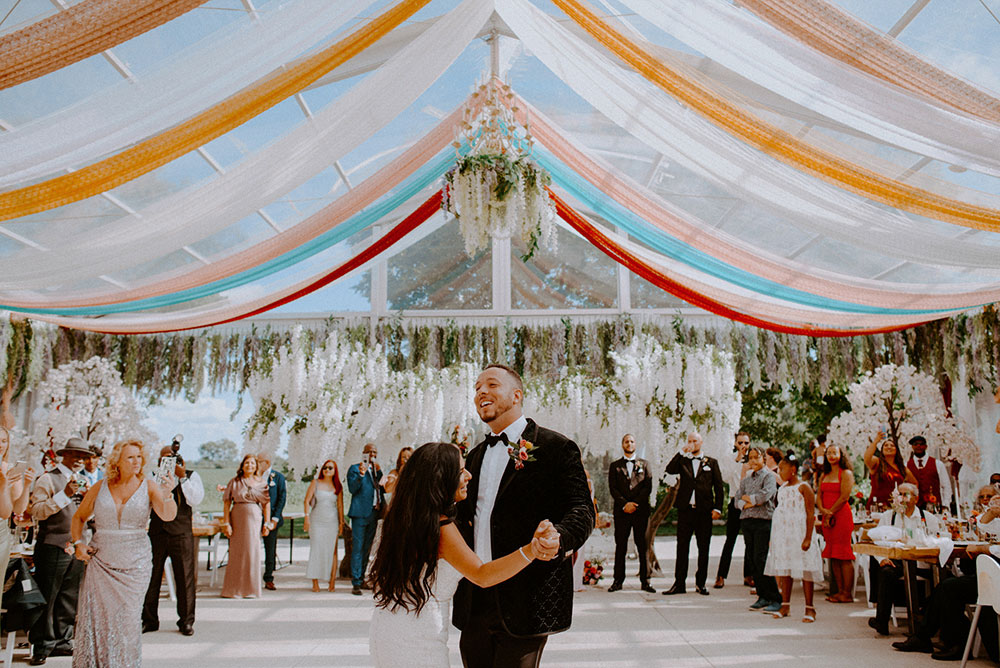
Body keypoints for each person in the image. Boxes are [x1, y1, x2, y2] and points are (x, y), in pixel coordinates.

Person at [452, 364, 595, 668]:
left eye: (491, 385)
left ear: (516, 395)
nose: (481, 393)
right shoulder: (474, 456)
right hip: (474, 600)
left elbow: (582, 510)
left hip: (526, 598)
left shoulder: (557, 448)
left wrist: (559, 537)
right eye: (477, 388)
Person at [369, 442, 555, 667]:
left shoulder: (403, 519)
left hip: (388, 628)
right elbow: (482, 574)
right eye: (461, 470)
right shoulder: (441, 528)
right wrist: (530, 550)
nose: (468, 476)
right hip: (419, 638)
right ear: (441, 478)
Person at [69, 440, 177, 667]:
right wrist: (78, 543)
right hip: (101, 563)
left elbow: (167, 516)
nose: (136, 461)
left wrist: (168, 493)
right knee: (99, 622)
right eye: (130, 457)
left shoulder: (149, 486)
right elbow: (78, 517)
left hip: (135, 565)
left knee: (128, 621)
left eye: (139, 457)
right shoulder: (99, 487)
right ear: (117, 461)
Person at [893, 486, 1000, 659]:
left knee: (950, 588)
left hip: (996, 576)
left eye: (990, 496)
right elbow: (983, 524)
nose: (986, 499)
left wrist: (983, 548)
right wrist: (993, 512)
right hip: (992, 572)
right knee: (946, 587)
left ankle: (950, 642)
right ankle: (930, 638)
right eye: (983, 497)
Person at [28, 438, 94, 666]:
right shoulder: (47, 478)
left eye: (82, 456)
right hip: (52, 545)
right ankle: (42, 645)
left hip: (76, 545)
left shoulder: (85, 481)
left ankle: (63, 641)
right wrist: (64, 495)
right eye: (74, 455)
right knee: (48, 596)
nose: (78, 460)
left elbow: (87, 516)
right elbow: (36, 511)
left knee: (69, 596)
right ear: (63, 456)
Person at [142, 447, 204, 636]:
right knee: (151, 578)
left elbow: (195, 500)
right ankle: (149, 620)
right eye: (165, 458)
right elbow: (146, 502)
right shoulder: (151, 477)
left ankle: (186, 621)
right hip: (157, 532)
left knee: (185, 578)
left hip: (181, 533)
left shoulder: (192, 476)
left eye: (173, 458)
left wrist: (182, 477)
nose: (169, 461)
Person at [868, 482, 943, 636]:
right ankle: (881, 621)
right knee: (886, 572)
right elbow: (876, 540)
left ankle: (927, 615)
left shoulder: (927, 518)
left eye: (905, 495)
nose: (901, 498)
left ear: (916, 498)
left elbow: (939, 538)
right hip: (899, 561)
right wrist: (882, 558)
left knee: (944, 578)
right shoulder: (889, 517)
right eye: (899, 495)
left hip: (924, 562)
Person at [663, 432, 724, 596]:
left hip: (704, 511)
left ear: (701, 442)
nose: (692, 443)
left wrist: (718, 508)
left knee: (703, 548)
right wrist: (681, 452)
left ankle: (701, 583)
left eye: (695, 440)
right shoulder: (683, 460)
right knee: (682, 547)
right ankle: (679, 584)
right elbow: (669, 470)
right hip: (685, 510)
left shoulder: (711, 462)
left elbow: (718, 487)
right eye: (689, 441)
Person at [764, 454, 822, 622]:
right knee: (785, 569)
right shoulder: (782, 489)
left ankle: (810, 608)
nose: (779, 472)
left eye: (782, 469)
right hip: (784, 535)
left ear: (793, 470)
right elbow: (780, 512)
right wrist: (774, 537)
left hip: (800, 533)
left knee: (806, 569)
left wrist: (808, 538)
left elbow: (811, 514)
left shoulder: (804, 488)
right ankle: (785, 605)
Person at [607, 433, 655, 593]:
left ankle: (646, 581)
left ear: (636, 444)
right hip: (622, 512)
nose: (629, 443)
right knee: (620, 546)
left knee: (643, 547)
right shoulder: (615, 466)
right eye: (626, 441)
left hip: (640, 511)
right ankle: (617, 581)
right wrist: (625, 504)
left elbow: (647, 486)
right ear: (622, 444)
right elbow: (613, 488)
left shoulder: (645, 464)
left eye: (632, 441)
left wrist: (635, 504)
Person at [736, 446, 781, 613]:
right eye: (751, 458)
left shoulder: (769, 476)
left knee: (761, 558)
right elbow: (737, 498)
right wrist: (747, 502)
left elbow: (766, 495)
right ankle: (762, 596)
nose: (753, 461)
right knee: (752, 560)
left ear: (763, 458)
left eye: (756, 457)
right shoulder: (746, 479)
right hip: (747, 521)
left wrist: (751, 500)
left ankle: (775, 597)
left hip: (763, 521)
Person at [220, 454, 270, 599]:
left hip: (254, 517)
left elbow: (266, 504)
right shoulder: (234, 482)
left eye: (252, 463)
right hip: (237, 517)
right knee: (236, 552)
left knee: (252, 551)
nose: (250, 466)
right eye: (247, 463)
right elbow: (226, 503)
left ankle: (251, 589)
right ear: (242, 465)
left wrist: (267, 523)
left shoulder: (261, 483)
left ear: (256, 466)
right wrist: (226, 523)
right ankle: (233, 590)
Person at [816, 444, 855, 603]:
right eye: (829, 453)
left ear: (841, 455)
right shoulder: (823, 475)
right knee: (833, 554)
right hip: (827, 517)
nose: (831, 456)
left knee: (844, 554)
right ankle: (839, 591)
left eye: (835, 453)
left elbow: (845, 496)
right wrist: (823, 510)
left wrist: (830, 511)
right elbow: (819, 494)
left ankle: (847, 593)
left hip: (841, 516)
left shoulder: (846, 473)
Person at [716, 432, 752, 589]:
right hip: (735, 502)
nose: (744, 445)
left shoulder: (754, 458)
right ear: (736, 443)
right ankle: (721, 575)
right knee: (730, 539)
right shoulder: (729, 459)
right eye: (741, 442)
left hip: (750, 504)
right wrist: (737, 460)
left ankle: (749, 575)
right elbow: (725, 478)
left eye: (746, 443)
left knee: (749, 541)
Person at [347, 443, 384, 596]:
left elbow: (382, 488)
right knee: (358, 548)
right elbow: (352, 489)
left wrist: (380, 471)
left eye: (374, 452)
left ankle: (361, 578)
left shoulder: (376, 471)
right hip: (359, 513)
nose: (372, 454)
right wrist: (361, 475)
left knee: (367, 548)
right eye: (369, 452)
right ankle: (355, 582)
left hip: (373, 514)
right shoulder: (355, 468)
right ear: (363, 453)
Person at [304, 459, 344, 592]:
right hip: (316, 520)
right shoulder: (315, 483)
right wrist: (306, 518)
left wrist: (341, 523)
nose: (327, 470)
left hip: (332, 521)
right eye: (325, 467)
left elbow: (340, 506)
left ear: (335, 471)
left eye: (330, 468)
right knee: (316, 549)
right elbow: (306, 501)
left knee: (332, 551)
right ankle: (315, 582)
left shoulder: (337, 486)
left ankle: (332, 582)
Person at [865, 431, 917, 509]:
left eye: (892, 445)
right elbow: (867, 458)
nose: (889, 447)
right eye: (886, 445)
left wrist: (908, 498)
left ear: (896, 450)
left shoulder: (902, 468)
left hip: (896, 506)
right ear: (882, 450)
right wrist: (876, 441)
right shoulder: (877, 463)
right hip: (877, 506)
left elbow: (914, 483)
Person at [257, 453, 286, 592]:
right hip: (254, 517)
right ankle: (252, 577)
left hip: (271, 519)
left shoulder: (278, 477)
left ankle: (268, 578)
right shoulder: (253, 476)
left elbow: (281, 498)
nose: (257, 463)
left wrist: (275, 519)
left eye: (259, 461)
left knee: (270, 549)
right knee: (252, 548)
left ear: (267, 462)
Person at [904, 436, 951, 510]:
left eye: (921, 444)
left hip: (934, 507)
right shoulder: (906, 465)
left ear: (926, 446)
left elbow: (946, 486)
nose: (918, 446)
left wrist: (946, 504)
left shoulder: (938, 464)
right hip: (914, 507)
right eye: (915, 444)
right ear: (912, 447)